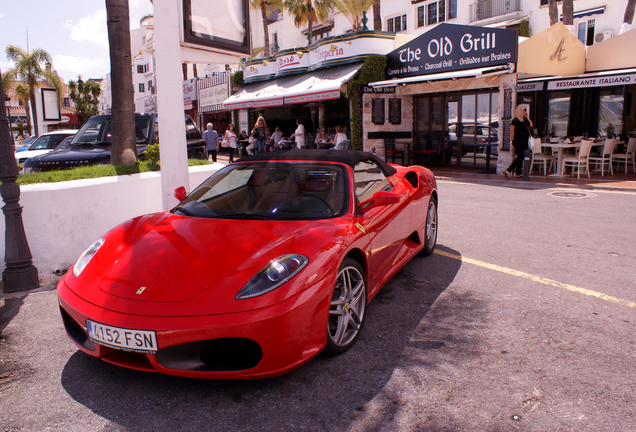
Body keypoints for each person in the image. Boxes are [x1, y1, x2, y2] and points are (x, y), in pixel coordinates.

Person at [503, 104, 533, 179]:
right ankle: (508, 170)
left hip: (524, 140)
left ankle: (518, 172)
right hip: (518, 140)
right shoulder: (515, 120)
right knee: (520, 156)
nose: (526, 111)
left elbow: (531, 125)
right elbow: (511, 131)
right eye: (524, 110)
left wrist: (528, 117)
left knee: (521, 156)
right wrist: (512, 140)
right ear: (520, 110)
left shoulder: (525, 120)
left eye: (526, 110)